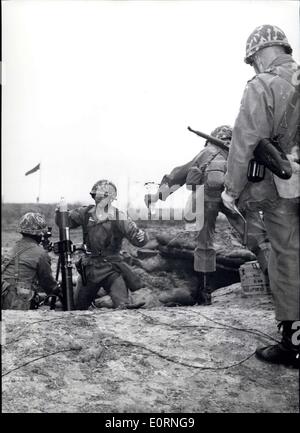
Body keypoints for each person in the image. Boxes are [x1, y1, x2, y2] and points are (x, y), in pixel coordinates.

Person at [221, 25, 300, 368]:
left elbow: (245, 142)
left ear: (259, 54)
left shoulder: (263, 84)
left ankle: (294, 340)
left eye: (252, 60)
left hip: (285, 188)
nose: (253, 67)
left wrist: (231, 189)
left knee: (288, 256)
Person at [145, 125, 270, 306]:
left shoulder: (207, 152)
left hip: (206, 197)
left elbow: (178, 176)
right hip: (233, 196)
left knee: (204, 245)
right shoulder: (240, 153)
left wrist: (158, 196)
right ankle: (276, 280)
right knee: (258, 238)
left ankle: (205, 294)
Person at [58, 179, 148, 310]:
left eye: (103, 198)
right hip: (90, 269)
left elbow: (137, 238)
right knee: (76, 308)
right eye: (96, 197)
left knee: (123, 307)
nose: (99, 201)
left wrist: (142, 236)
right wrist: (60, 212)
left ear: (111, 199)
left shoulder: (119, 216)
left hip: (111, 268)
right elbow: (64, 222)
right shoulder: (85, 213)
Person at [2, 212, 59, 310]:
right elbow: (48, 284)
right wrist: (59, 291)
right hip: (17, 300)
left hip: (5, 292)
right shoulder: (40, 254)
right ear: (40, 234)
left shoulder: (16, 247)